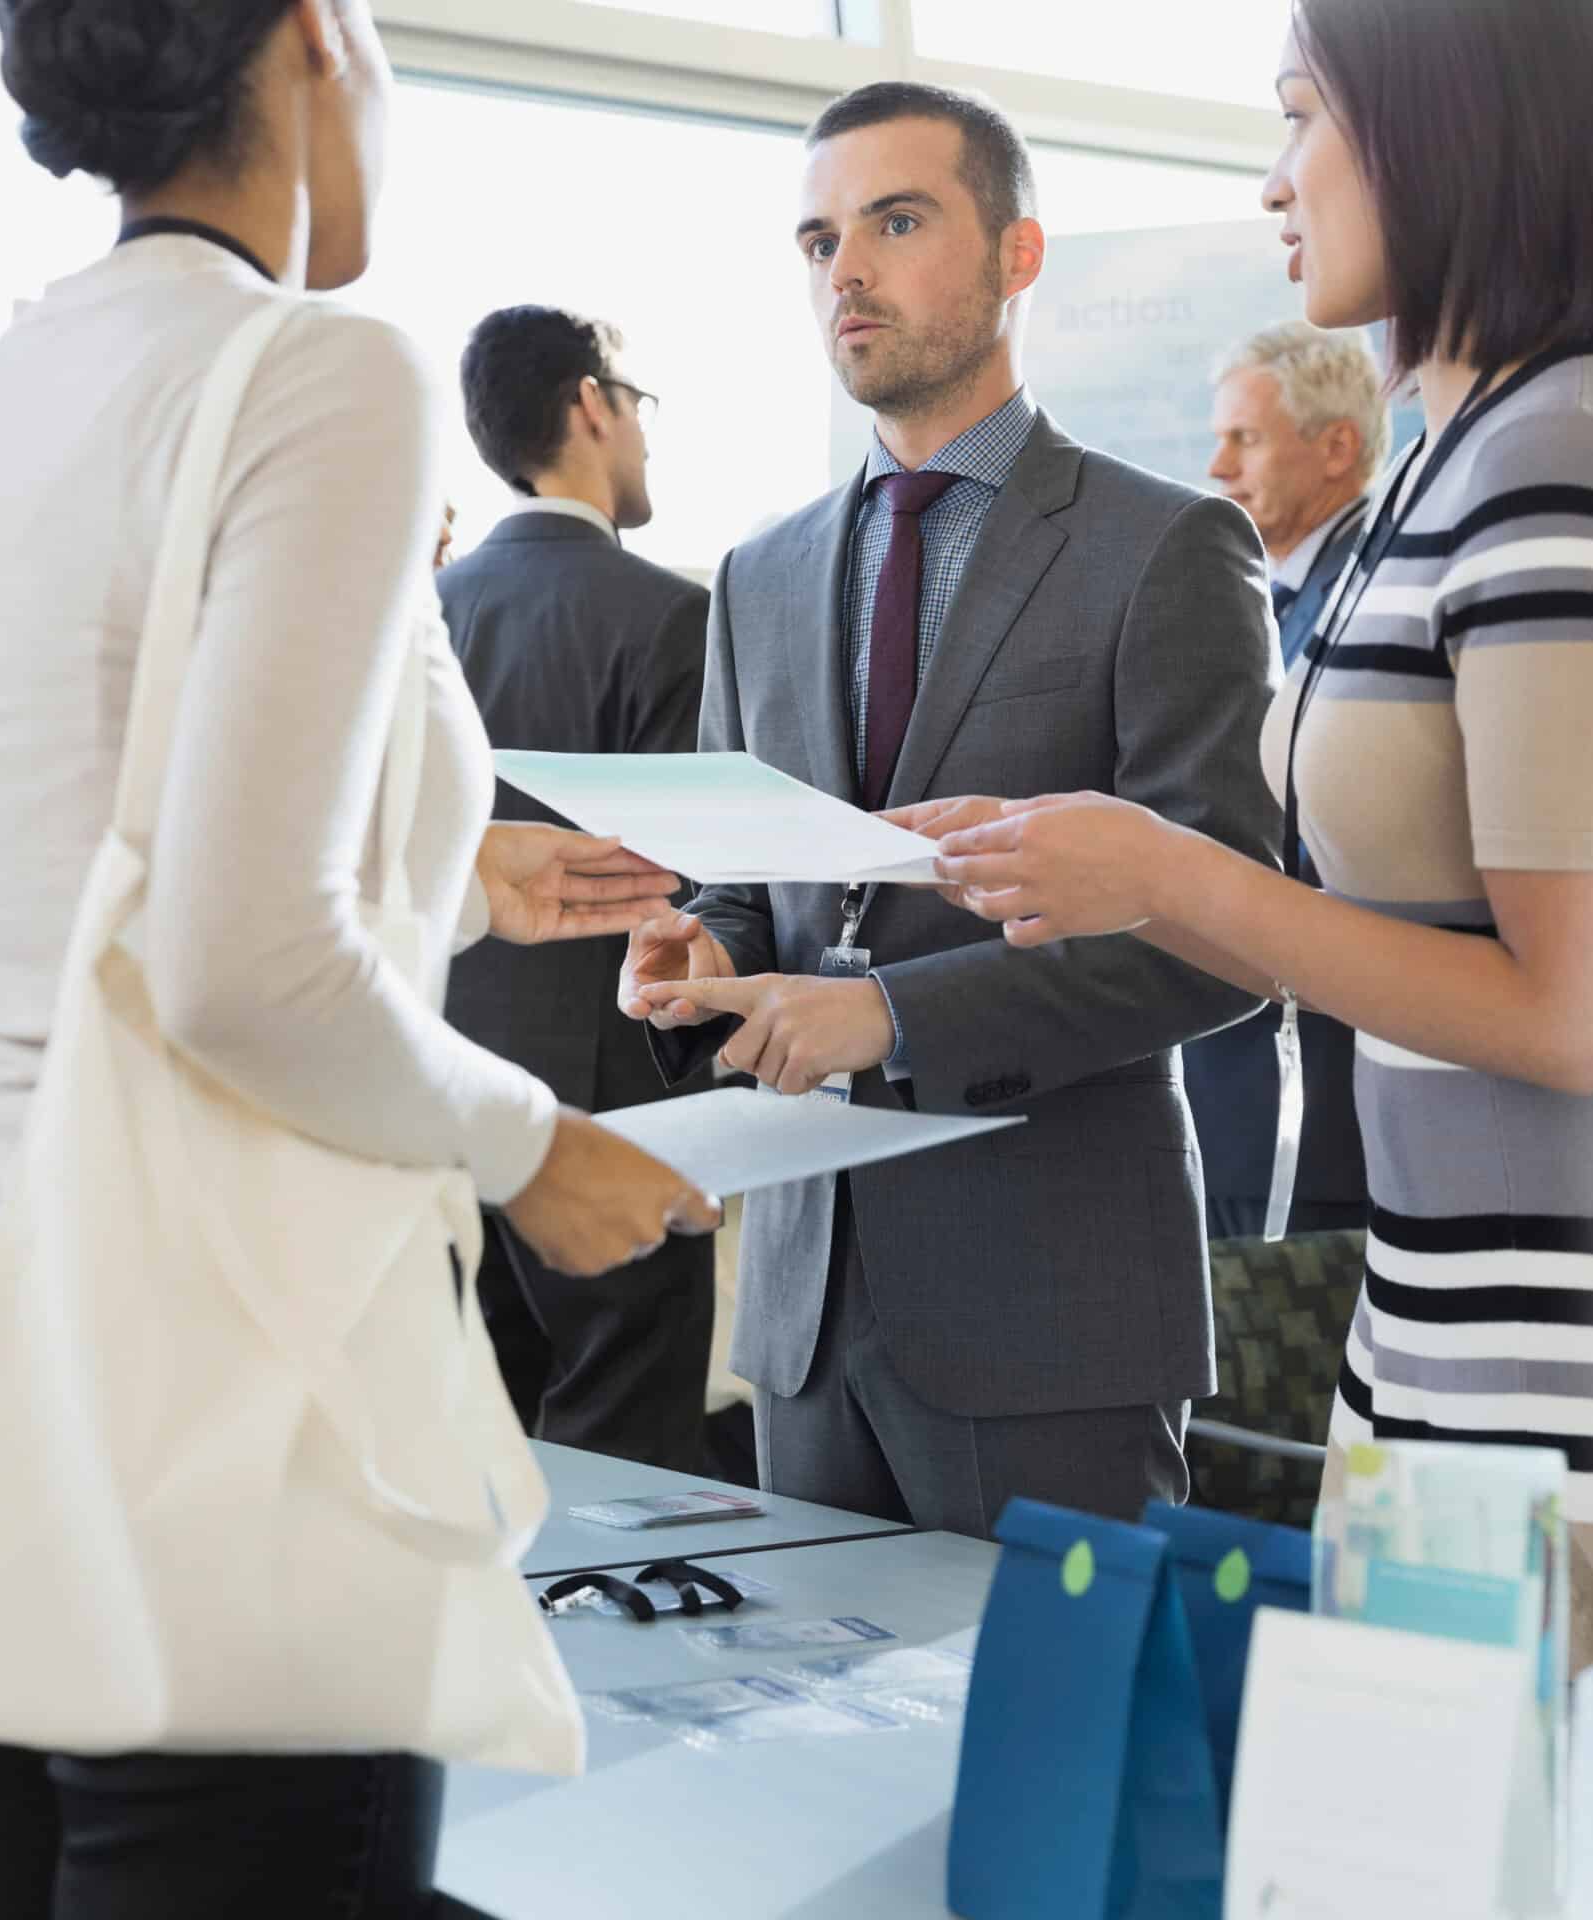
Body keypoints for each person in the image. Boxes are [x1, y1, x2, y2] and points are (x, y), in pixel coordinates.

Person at [0, 3, 716, 1913]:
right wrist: (532, 1149)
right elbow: (238, 967)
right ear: (314, 38)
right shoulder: (322, 372)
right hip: (199, 1384)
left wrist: (452, 873)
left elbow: (81, 838)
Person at [919, 0, 1593, 1651]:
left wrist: (1170, 870)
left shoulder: (1562, 450)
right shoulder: (1446, 452)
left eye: (1300, 118)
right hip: (1456, 1296)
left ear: (1447, 124)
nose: (1276, 180)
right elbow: (1397, 934)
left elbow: (1560, 1014)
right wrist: (1098, 863)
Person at [620, 81, 1281, 1537]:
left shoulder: (1164, 547)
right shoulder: (759, 575)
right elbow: (752, 884)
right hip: (807, 1309)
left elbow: (1226, 937)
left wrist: (899, 1018)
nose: (843, 270)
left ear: (1018, 254)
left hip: (1049, 1301)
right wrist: (709, 954)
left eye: (895, 221)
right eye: (817, 239)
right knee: (819, 1757)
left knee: (1059, 1754)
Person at [440, 304, 716, 1473]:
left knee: (484, 1443)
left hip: (442, 1099)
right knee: (631, 1449)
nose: (643, 438)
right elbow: (691, 885)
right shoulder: (669, 616)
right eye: (637, 407)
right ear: (593, 405)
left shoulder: (429, 615)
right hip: (612, 1111)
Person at [1184, 319, 1384, 1239]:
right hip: (1239, 1078)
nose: (1218, 465)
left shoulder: (1379, 594)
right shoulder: (1260, 593)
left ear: (1337, 446)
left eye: (1247, 438)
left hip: (1323, 1095)